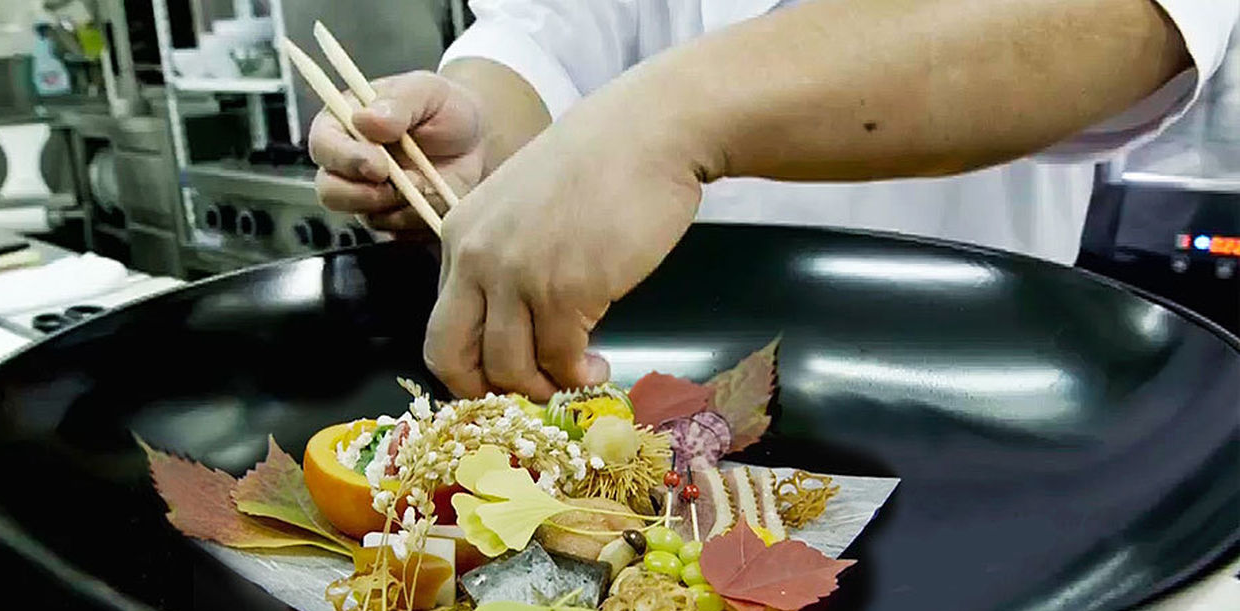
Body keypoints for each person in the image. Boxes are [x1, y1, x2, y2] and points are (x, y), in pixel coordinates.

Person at [309, 0, 1238, 400]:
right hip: (624, 381)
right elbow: (543, 29)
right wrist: (478, 133)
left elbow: (1132, 21)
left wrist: (676, 115)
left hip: (959, 392)